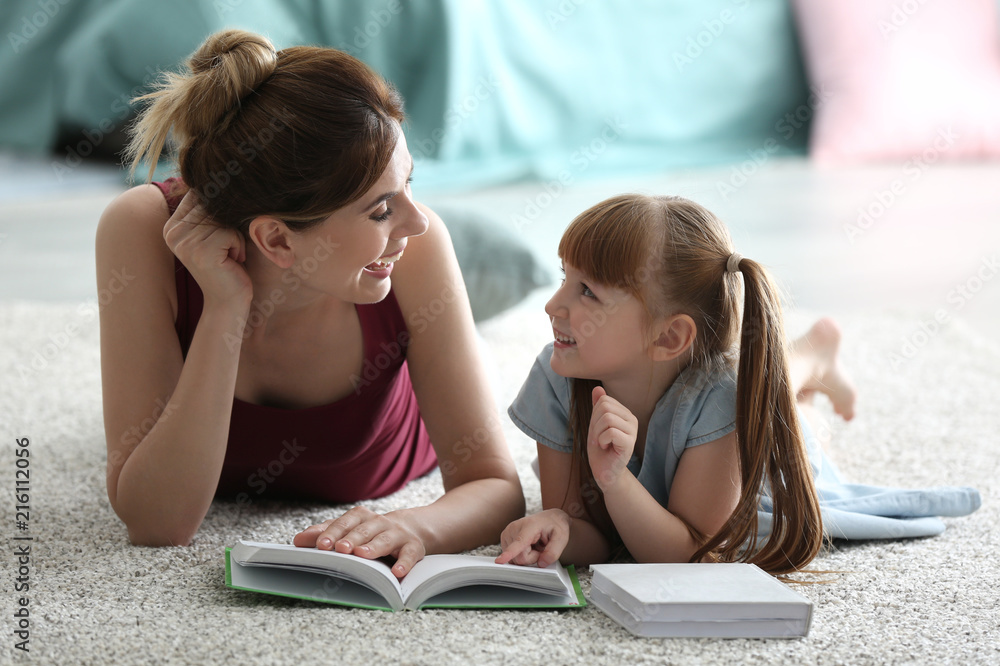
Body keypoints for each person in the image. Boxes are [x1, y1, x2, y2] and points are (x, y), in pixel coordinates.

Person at [95, 29, 524, 577]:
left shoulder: (418, 246)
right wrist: (225, 307)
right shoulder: (143, 230)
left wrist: (419, 525)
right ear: (276, 240)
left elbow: (494, 484)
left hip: (393, 408)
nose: (417, 223)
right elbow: (157, 524)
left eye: (409, 184)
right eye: (381, 209)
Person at [494, 193, 972, 575]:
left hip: (757, 454)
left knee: (796, 420)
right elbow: (593, 532)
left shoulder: (725, 399)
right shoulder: (557, 378)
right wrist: (558, 523)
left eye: (587, 291)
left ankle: (814, 356)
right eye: (564, 278)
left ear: (668, 335)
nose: (552, 305)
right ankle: (813, 355)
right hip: (709, 396)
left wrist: (615, 480)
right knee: (771, 382)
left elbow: (691, 550)